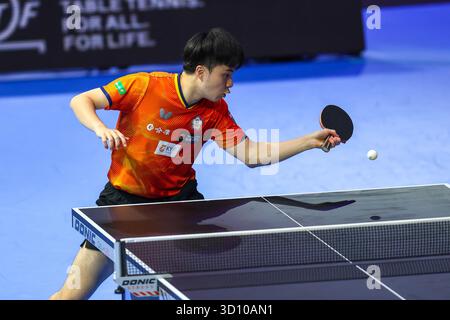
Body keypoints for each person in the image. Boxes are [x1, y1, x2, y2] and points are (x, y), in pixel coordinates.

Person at [50, 28, 341, 300]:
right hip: (123, 206)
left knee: (194, 295)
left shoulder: (215, 113)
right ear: (201, 72)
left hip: (180, 208)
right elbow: (81, 100)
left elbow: (252, 155)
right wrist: (101, 128)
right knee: (72, 294)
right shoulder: (142, 86)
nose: (230, 85)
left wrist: (309, 142)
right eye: (226, 75)